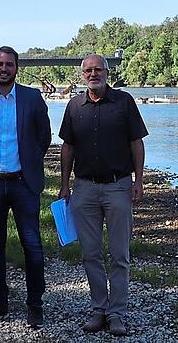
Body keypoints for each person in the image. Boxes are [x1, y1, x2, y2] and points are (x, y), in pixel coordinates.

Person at [58, 54, 148, 337]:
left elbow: (137, 143)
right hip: (84, 189)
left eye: (98, 69)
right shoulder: (74, 106)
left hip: (118, 186)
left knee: (119, 254)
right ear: (82, 75)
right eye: (88, 70)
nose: (93, 74)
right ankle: (99, 309)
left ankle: (117, 313)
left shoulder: (124, 102)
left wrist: (139, 181)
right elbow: (67, 148)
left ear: (107, 72)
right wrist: (64, 185)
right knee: (90, 254)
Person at [0, 46, 51, 327]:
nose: (4, 69)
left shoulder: (32, 97)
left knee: (32, 245)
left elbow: (44, 136)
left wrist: (29, 162)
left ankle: (35, 305)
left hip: (24, 184)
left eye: (9, 64)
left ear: (17, 68)